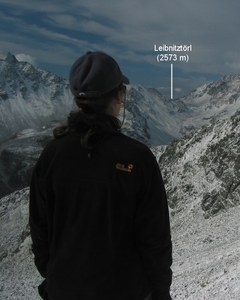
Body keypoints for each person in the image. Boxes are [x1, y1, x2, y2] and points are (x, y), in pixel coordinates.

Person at [29, 51, 173, 300]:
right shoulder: (138, 158)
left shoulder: (52, 154)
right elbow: (155, 239)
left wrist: (54, 271)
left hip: (63, 290)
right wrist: (160, 292)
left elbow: (40, 226)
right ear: (119, 96)